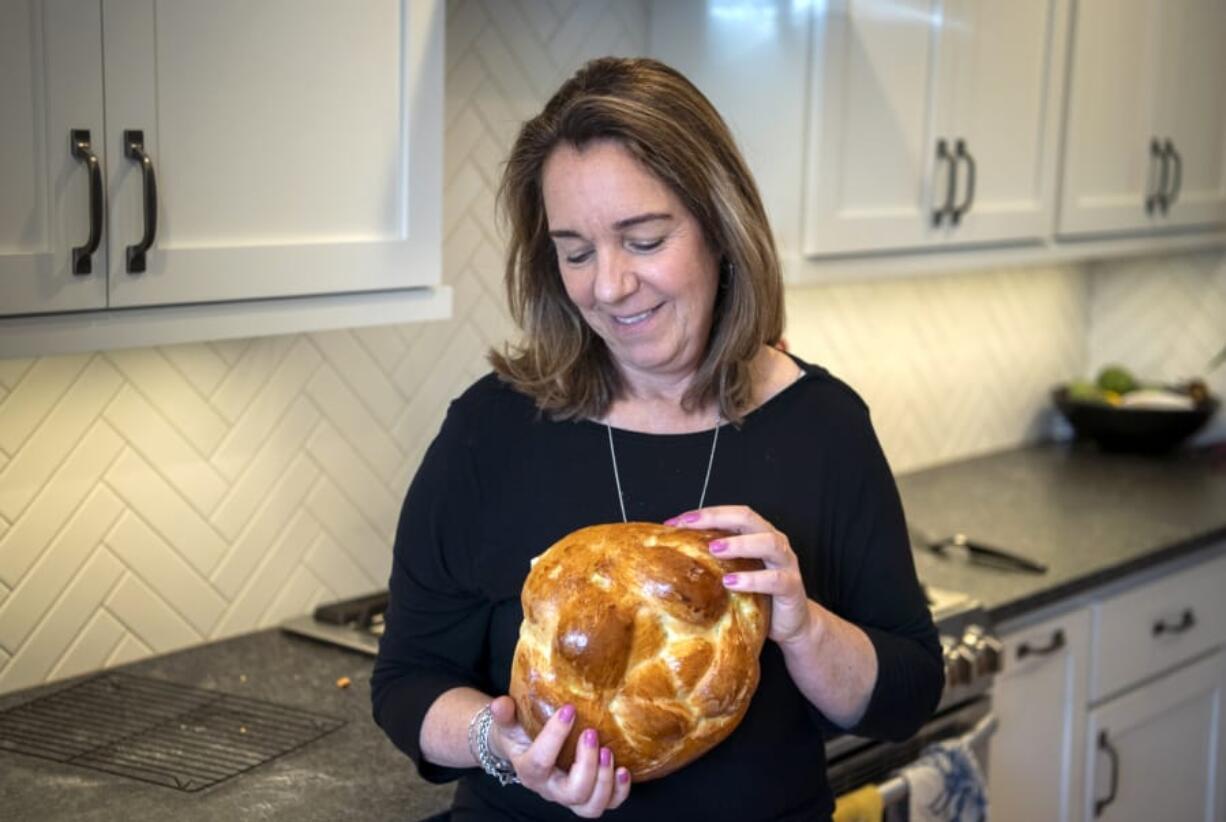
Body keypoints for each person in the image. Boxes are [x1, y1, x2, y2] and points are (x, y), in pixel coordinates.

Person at [371, 56, 943, 821]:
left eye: (642, 240)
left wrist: (802, 627)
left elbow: (904, 696)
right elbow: (408, 681)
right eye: (575, 251)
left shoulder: (823, 428)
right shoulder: (492, 429)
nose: (607, 286)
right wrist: (501, 743)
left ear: (720, 227)